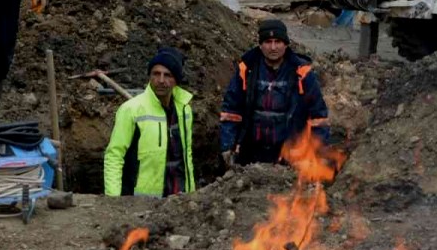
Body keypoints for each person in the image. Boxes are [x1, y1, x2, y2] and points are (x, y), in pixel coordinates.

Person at [220, 19, 329, 167]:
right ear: (260, 45)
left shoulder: (301, 73)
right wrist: (227, 145)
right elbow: (231, 110)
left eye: (278, 41)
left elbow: (318, 116)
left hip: (290, 155)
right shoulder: (247, 70)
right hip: (252, 154)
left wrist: (318, 151)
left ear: (285, 44)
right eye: (268, 42)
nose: (273, 47)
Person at [104, 47, 196, 197]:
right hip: (141, 203)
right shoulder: (131, 110)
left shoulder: (185, 110)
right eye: (156, 74)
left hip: (179, 200)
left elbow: (186, 157)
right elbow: (114, 155)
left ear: (176, 80)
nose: (161, 80)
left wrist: (192, 195)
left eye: (167, 75)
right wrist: (113, 200)